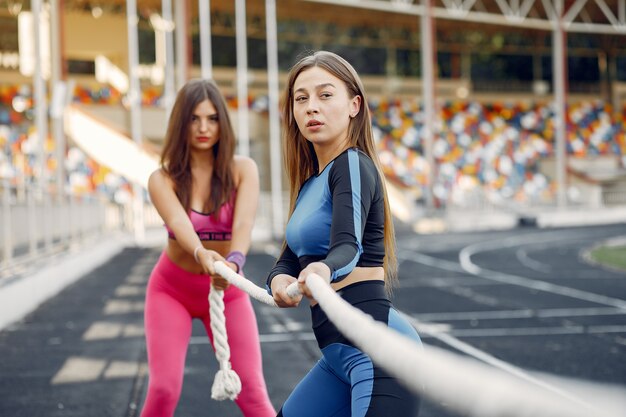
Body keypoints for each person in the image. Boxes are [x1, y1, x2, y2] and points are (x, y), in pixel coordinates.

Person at [266, 51, 422, 417]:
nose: (311, 108)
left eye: (325, 95)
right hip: (339, 356)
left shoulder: (352, 163)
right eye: (300, 99)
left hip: (380, 353)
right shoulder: (308, 186)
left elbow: (347, 247)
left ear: (354, 105)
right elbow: (287, 259)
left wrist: (322, 270)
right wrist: (277, 279)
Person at [141, 78, 276, 417]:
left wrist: (233, 262)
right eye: (194, 118)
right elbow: (178, 221)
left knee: (254, 394)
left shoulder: (243, 169)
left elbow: (243, 224)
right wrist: (202, 254)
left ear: (222, 123)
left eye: (212, 118)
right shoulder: (162, 179)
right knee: (162, 390)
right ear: (180, 123)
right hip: (171, 290)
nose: (204, 127)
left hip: (228, 288)